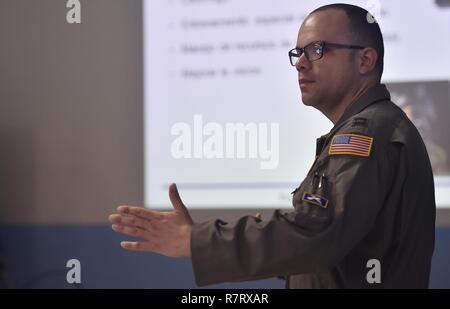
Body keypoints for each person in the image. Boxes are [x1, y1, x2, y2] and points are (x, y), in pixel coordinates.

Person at [109, 4, 436, 288]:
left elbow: (316, 235)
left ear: (365, 60)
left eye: (317, 49)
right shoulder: (374, 127)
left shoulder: (368, 134)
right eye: (298, 53)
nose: (301, 63)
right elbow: (339, 250)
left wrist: (195, 241)